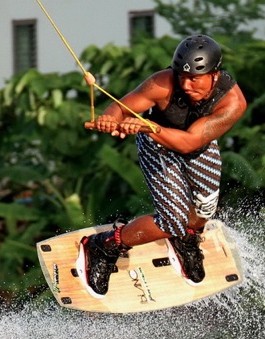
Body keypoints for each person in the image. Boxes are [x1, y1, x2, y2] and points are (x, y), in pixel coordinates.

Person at [77, 34, 247, 297]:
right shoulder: (161, 84)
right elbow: (120, 108)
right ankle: (104, 246)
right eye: (182, 76)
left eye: (195, 78)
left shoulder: (232, 103)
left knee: (205, 208)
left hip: (195, 144)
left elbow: (190, 142)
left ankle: (186, 239)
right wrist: (110, 119)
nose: (187, 84)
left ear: (214, 75)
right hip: (157, 147)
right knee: (172, 221)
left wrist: (149, 126)